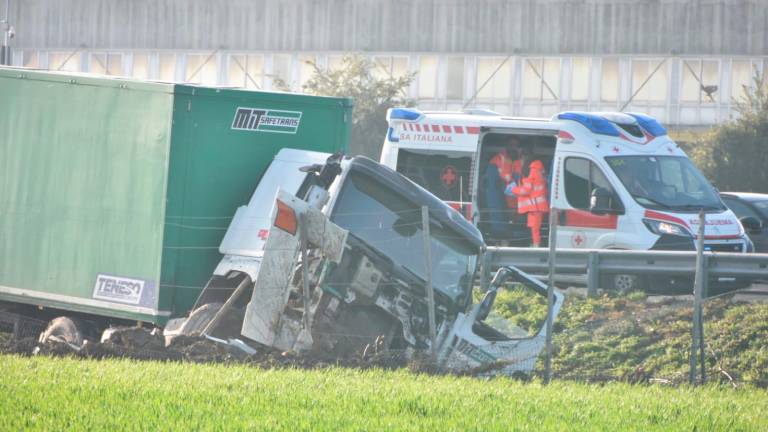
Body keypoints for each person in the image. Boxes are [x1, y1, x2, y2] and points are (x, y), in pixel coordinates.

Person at [512, 159, 550, 247]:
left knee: (534, 229)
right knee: (535, 228)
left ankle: (536, 247)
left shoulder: (531, 172)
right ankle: (535, 245)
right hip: (538, 205)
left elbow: (526, 190)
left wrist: (513, 189)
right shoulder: (540, 171)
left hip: (535, 206)